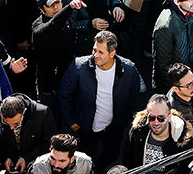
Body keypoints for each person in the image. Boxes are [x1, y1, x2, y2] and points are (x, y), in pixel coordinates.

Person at [59, 31, 145, 166]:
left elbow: (134, 99)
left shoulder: (129, 70)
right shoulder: (79, 67)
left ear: (112, 53)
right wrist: (71, 121)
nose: (95, 55)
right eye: (94, 50)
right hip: (85, 128)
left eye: (100, 52)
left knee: (109, 160)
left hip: (114, 129)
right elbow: (64, 95)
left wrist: (126, 123)